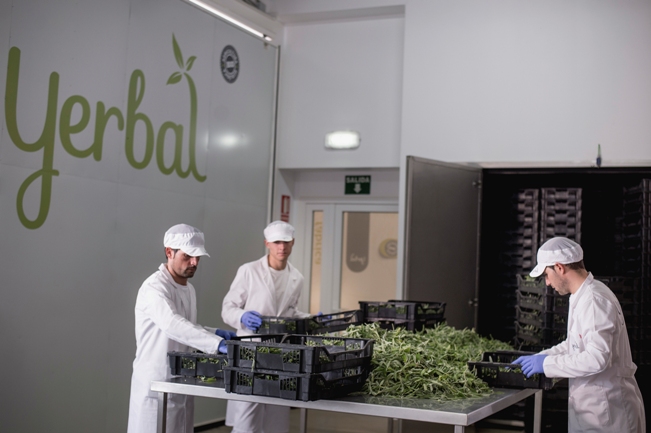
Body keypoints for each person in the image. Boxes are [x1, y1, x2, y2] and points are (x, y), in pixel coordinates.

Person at [514, 237, 645, 433]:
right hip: (595, 411)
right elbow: (575, 344)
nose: (547, 283)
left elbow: (597, 358)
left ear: (559, 267)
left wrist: (547, 365)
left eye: (547, 275)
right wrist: (542, 357)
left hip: (608, 414)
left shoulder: (593, 300)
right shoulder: (582, 295)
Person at [127, 224, 236, 433]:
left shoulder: (188, 288)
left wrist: (213, 333)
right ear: (169, 252)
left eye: (198, 257)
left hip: (180, 383)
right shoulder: (154, 288)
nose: (194, 263)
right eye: (188, 256)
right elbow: (172, 324)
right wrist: (216, 343)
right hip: (155, 385)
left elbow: (186, 327)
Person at [221, 220, 312, 433]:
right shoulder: (249, 271)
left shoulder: (297, 278)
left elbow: (290, 313)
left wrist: (311, 319)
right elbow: (227, 308)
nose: (282, 247)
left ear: (293, 242)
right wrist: (242, 316)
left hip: (281, 353)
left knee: (276, 416)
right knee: (246, 417)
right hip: (250, 349)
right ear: (267, 243)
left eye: (286, 242)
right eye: (276, 242)